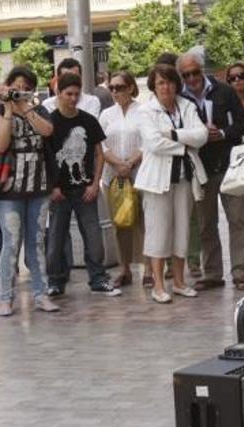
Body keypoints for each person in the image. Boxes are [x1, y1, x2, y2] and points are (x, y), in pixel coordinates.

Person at [0, 66, 59, 316]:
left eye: (26, 87)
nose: (20, 91)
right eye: (16, 87)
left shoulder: (37, 109)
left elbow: (48, 131)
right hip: (8, 189)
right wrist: (8, 108)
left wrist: (26, 108)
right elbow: (0, 142)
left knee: (36, 241)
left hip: (38, 186)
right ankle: (6, 297)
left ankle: (41, 293)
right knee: (11, 242)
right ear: (7, 86)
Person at [177, 49, 244, 291]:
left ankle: (240, 271)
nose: (191, 79)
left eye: (195, 72)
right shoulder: (181, 99)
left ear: (202, 70)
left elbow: (243, 123)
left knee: (237, 220)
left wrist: (221, 133)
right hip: (200, 169)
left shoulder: (225, 91)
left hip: (229, 165)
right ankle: (212, 273)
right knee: (206, 223)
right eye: (185, 75)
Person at [134, 64, 208, 304]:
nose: (166, 87)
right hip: (157, 180)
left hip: (185, 176)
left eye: (169, 82)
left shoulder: (186, 105)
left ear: (176, 84)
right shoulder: (146, 111)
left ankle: (178, 282)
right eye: (160, 83)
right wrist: (186, 144)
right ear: (154, 87)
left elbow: (202, 135)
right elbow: (154, 143)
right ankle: (158, 285)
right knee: (158, 231)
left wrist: (174, 135)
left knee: (182, 229)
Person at [45, 72, 121, 298]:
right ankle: (56, 281)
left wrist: (95, 182)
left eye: (76, 94)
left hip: (85, 189)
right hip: (59, 191)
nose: (72, 98)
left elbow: (99, 154)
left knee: (93, 235)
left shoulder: (88, 120)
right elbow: (46, 157)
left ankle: (98, 278)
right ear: (58, 94)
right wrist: (53, 186)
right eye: (68, 94)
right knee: (56, 238)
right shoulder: (50, 123)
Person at [99, 71, 152, 288]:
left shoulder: (144, 112)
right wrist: (117, 164)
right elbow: (100, 144)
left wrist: (129, 164)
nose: (114, 92)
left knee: (144, 222)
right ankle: (125, 269)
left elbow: (148, 142)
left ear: (131, 88)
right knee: (120, 222)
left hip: (140, 172)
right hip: (113, 175)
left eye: (119, 87)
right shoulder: (106, 115)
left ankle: (149, 269)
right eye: (111, 88)